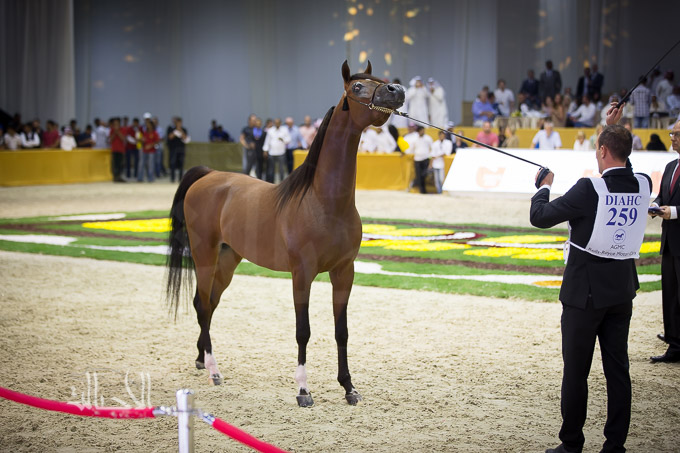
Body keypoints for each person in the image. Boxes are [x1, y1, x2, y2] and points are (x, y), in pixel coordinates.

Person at [531, 103, 652, 453]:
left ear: (601, 151)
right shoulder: (643, 184)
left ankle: (571, 443)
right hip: (622, 292)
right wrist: (610, 130)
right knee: (618, 370)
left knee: (576, 372)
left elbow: (540, 216)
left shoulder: (588, 189)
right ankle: (615, 444)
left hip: (585, 295)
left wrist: (544, 186)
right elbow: (623, 167)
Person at [648, 121, 680, 364]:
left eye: (677, 134)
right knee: (670, 294)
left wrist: (675, 212)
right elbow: (662, 195)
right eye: (672, 133)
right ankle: (674, 342)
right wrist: (656, 205)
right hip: (669, 240)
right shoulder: (670, 166)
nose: (672, 137)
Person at [263, 118, 290, 183]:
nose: (277, 124)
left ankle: (282, 182)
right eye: (276, 123)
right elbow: (267, 141)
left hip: (281, 153)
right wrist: (265, 150)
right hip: (272, 153)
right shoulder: (270, 130)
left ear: (280, 123)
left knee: (281, 169)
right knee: (271, 169)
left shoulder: (284, 129)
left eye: (278, 123)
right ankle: (271, 183)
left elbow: (289, 139)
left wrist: (283, 139)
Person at [167, 116, 190, 183]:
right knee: (172, 163)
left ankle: (180, 179)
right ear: (175, 123)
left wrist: (181, 131)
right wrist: (176, 131)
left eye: (180, 123)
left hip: (181, 149)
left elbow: (185, 138)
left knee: (181, 164)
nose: (179, 124)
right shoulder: (171, 129)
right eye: (178, 123)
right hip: (173, 149)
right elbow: (170, 137)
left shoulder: (184, 130)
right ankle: (172, 178)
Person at [411, 126, 433, 194]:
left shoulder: (428, 138)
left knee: (424, 175)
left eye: (423, 130)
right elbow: (412, 148)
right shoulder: (414, 139)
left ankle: (423, 189)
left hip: (425, 159)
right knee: (418, 175)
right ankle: (421, 191)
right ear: (418, 131)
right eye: (421, 130)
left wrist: (430, 158)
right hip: (417, 159)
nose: (422, 132)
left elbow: (432, 148)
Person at [138, 118, 160, 182]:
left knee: (151, 165)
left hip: (151, 151)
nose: (147, 126)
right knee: (141, 164)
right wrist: (141, 140)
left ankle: (150, 178)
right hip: (144, 150)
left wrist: (150, 145)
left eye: (148, 124)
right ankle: (140, 178)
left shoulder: (154, 133)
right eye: (147, 125)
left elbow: (157, 141)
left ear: (151, 125)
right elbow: (143, 140)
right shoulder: (145, 132)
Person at [108, 117, 126, 182]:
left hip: (121, 150)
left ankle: (119, 176)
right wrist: (114, 133)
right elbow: (110, 140)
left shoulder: (123, 129)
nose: (116, 125)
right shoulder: (112, 130)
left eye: (117, 124)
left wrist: (118, 132)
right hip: (114, 150)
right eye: (114, 124)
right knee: (114, 164)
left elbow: (123, 139)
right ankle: (115, 177)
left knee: (121, 164)